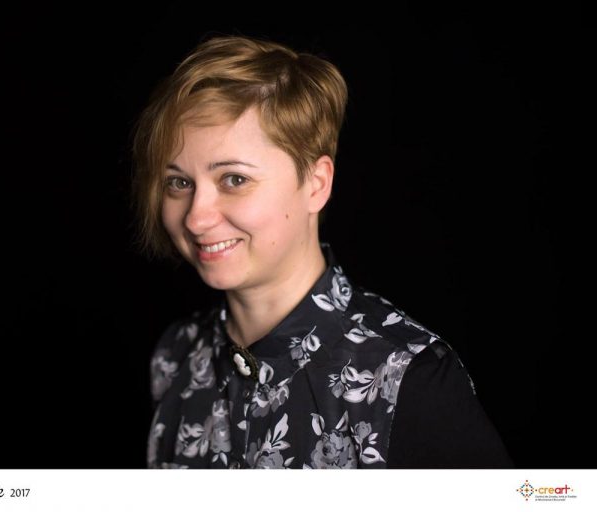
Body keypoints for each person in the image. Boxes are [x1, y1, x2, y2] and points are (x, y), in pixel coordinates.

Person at [129, 34, 514, 469]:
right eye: (179, 182)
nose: (196, 218)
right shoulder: (176, 356)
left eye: (234, 179)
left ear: (316, 184)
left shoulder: (408, 376)